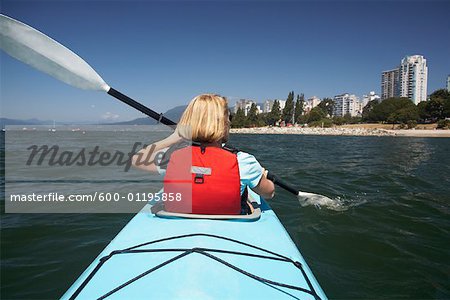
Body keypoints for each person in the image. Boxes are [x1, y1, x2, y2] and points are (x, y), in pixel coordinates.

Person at [132, 94, 274, 214]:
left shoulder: (174, 159)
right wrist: (262, 175)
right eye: (228, 117)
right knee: (246, 199)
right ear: (224, 124)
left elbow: (137, 160)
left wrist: (173, 138)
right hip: (229, 224)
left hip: (181, 221)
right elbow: (269, 193)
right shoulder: (244, 161)